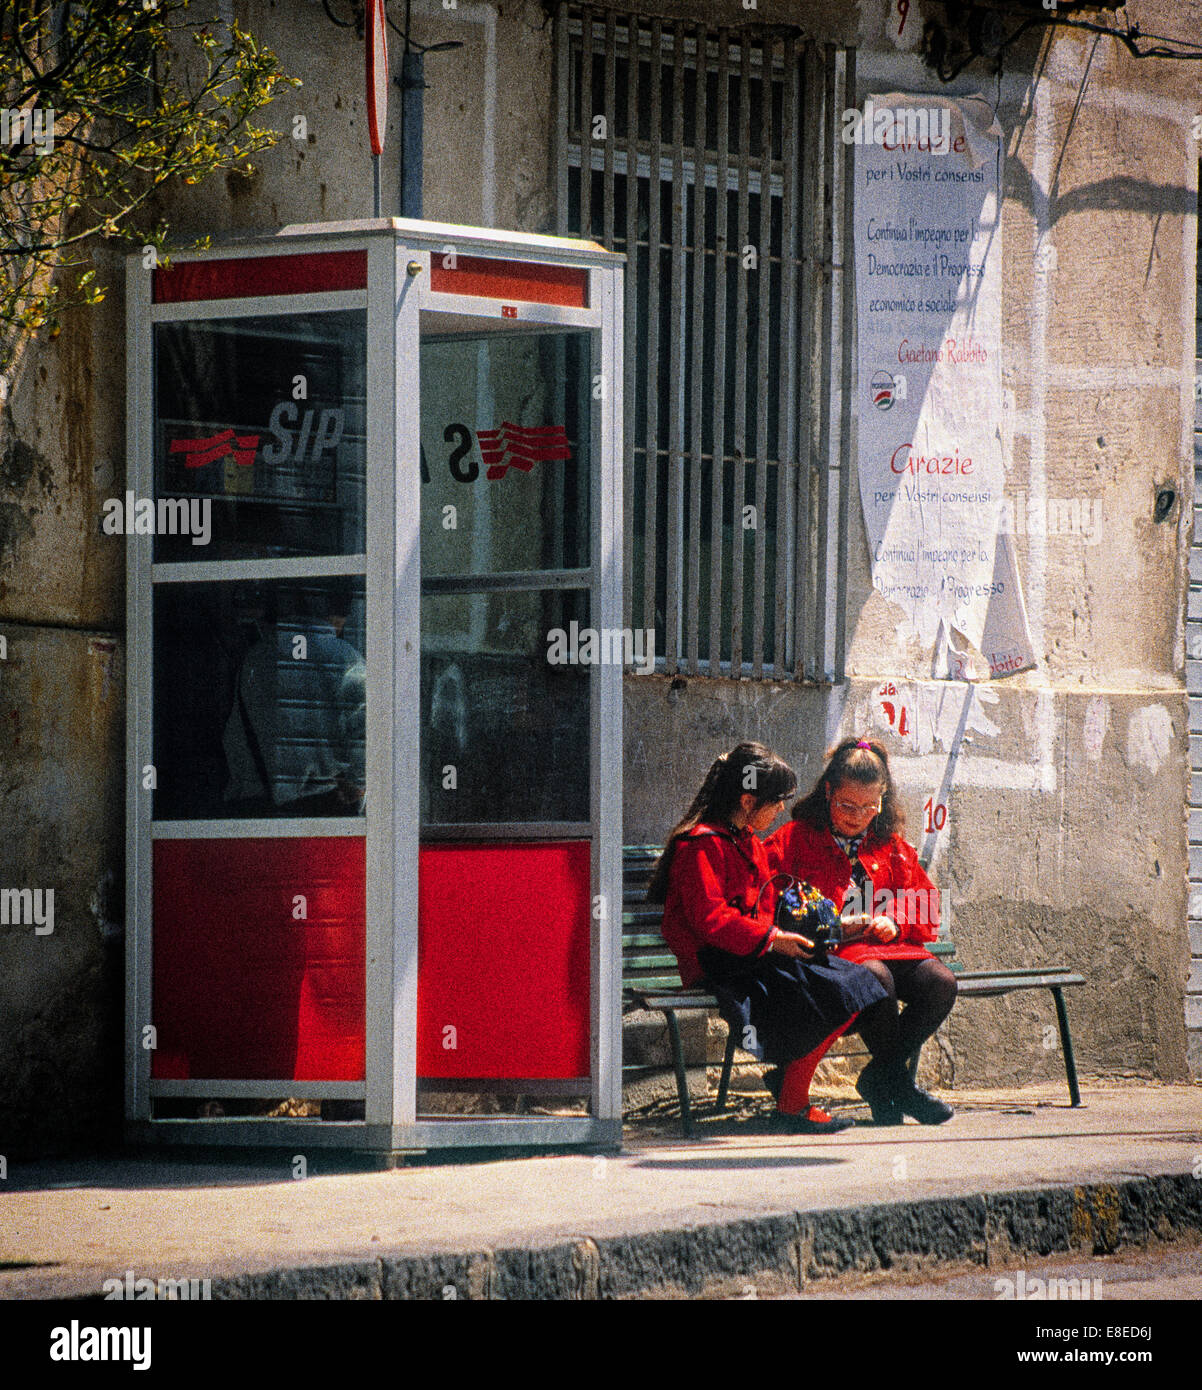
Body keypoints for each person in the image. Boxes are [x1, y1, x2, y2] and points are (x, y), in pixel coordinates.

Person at [647, 742, 889, 1134]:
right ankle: (792, 1103)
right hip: (720, 962)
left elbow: (769, 906)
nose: (780, 811)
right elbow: (711, 919)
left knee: (859, 983)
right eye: (775, 802)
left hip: (752, 954)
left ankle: (791, 1097)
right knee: (835, 990)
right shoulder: (702, 845)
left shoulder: (747, 841)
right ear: (747, 800)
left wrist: (835, 928)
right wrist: (772, 940)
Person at [767, 736, 957, 1125]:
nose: (857, 816)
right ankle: (896, 1085)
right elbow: (770, 895)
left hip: (886, 944)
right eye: (846, 805)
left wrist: (897, 919)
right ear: (828, 791)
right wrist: (834, 923)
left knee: (941, 981)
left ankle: (882, 1077)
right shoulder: (795, 839)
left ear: (882, 800)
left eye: (869, 807)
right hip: (834, 951)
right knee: (874, 977)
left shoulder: (889, 845)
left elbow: (926, 899)